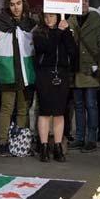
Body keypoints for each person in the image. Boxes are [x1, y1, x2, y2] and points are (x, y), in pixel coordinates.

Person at [0, 0, 37, 156]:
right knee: (6, 108)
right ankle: (3, 141)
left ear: (23, 4)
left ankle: (21, 141)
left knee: (23, 108)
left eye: (18, 3)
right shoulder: (0, 22)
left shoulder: (30, 24)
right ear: (8, 6)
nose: (16, 7)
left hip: (26, 71)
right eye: (12, 4)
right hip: (9, 71)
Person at [68, 0, 100, 153]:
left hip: (91, 70)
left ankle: (91, 139)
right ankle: (79, 137)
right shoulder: (70, 20)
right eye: (81, 1)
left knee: (91, 105)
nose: (84, 3)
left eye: (86, 1)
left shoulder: (97, 21)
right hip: (75, 70)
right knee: (78, 106)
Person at [33, 13, 75, 162]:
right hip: (44, 73)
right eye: (45, 16)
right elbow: (47, 48)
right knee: (44, 111)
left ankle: (58, 146)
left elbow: (72, 50)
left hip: (61, 74)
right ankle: (43, 146)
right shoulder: (38, 32)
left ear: (57, 17)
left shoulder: (65, 31)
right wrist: (59, 32)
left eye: (51, 16)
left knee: (59, 112)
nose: (48, 19)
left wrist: (66, 32)